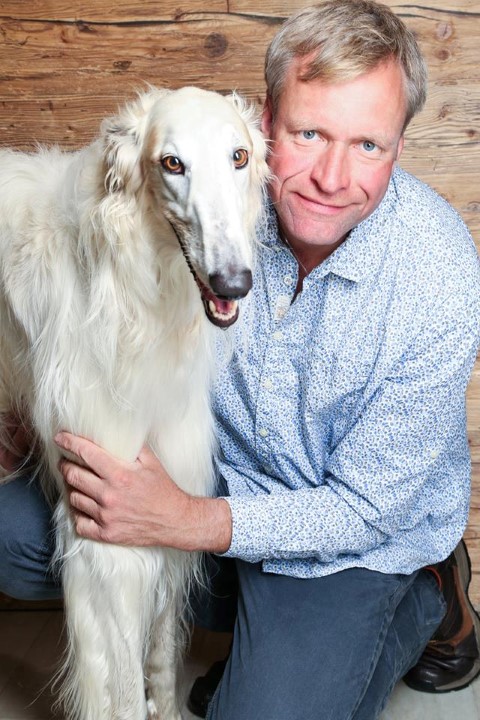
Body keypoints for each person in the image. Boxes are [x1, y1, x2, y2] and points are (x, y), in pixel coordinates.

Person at [1, 1, 480, 718]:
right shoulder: (202, 203)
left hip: (348, 541)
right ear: (265, 123)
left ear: (400, 146)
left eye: (368, 145)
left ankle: (431, 594)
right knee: (14, 534)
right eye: (309, 134)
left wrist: (184, 520)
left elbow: (368, 509)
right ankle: (254, 632)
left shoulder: (437, 271)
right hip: (225, 487)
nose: (330, 177)